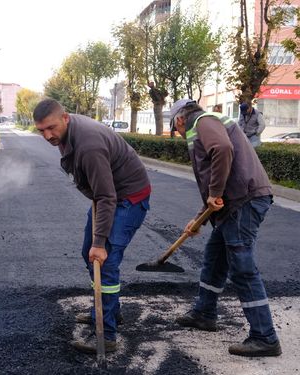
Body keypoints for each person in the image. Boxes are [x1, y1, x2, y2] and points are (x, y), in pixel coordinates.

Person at [33, 98, 151, 354]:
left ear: (65, 117)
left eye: (51, 128)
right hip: (108, 196)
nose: (47, 135)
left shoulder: (89, 145)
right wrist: (94, 244)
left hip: (127, 199)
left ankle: (106, 335)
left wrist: (100, 243)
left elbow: (107, 196)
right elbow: (101, 192)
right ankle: (109, 311)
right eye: (41, 130)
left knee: (103, 260)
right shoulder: (66, 133)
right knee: (89, 253)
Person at [170, 99, 281, 357]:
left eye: (176, 129)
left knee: (242, 267)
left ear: (179, 120)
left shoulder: (202, 122)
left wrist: (216, 193)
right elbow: (213, 182)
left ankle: (265, 337)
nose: (179, 133)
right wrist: (199, 218)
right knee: (215, 257)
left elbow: (222, 149)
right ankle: (204, 313)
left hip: (244, 200)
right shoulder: (209, 121)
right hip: (236, 202)